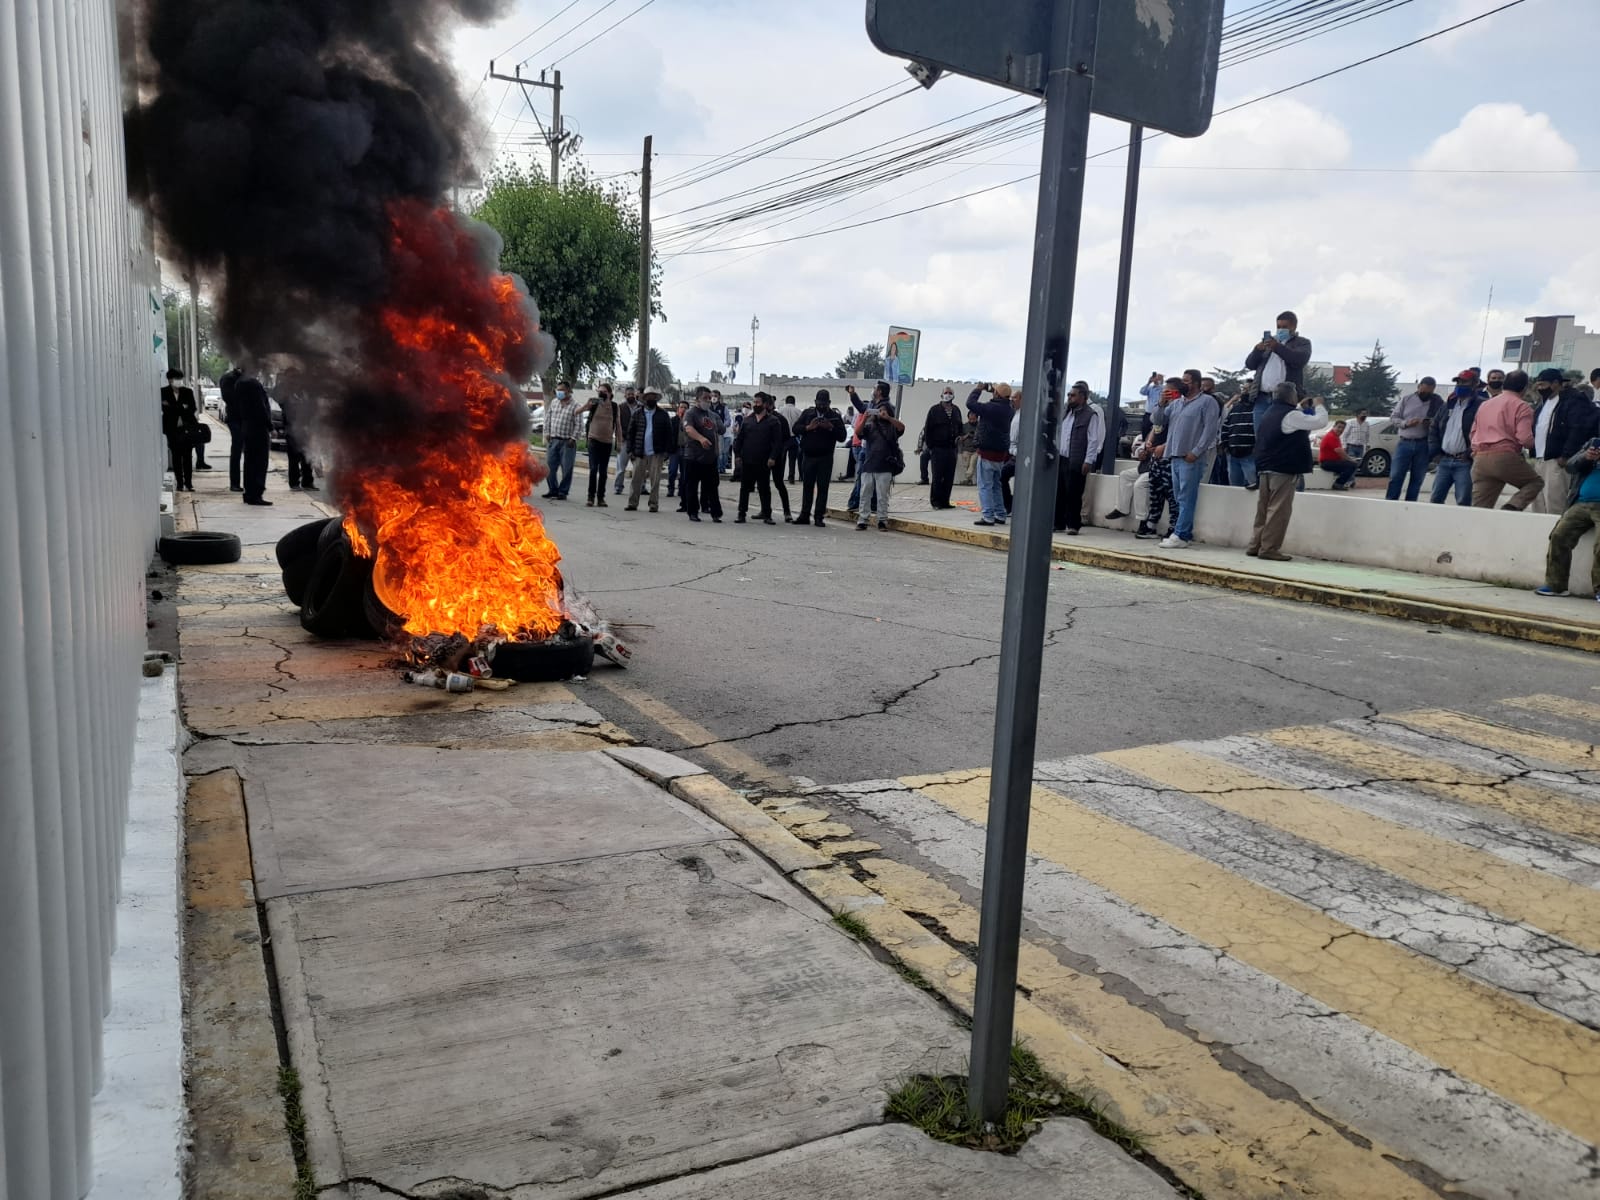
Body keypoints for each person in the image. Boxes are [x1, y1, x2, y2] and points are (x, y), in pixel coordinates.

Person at [1246, 383, 1328, 561]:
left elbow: (1291, 420)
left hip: (1265, 467)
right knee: (1278, 511)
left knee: (1263, 510)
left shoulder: (1269, 412)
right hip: (1283, 468)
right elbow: (1320, 422)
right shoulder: (1291, 415)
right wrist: (1319, 405)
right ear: (1291, 397)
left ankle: (1255, 545)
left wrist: (1300, 407)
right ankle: (1269, 548)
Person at [1159, 369, 1221, 549]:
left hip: (1190, 457)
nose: (1182, 384)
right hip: (1174, 455)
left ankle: (1181, 534)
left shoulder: (1207, 402)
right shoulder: (1177, 403)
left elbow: (1210, 430)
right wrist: (1161, 404)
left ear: (1195, 383)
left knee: (1187, 496)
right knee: (1179, 496)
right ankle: (1183, 532)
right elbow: (1159, 420)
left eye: (1186, 381)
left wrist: (1196, 451)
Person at [1535, 438, 1600, 600]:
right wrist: (1586, 457)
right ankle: (1556, 586)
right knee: (1559, 535)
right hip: (1581, 503)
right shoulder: (1593, 442)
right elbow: (1570, 466)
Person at [1529, 368, 1599, 514]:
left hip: (1557, 460)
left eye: (1543, 384)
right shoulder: (1542, 403)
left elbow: (1577, 429)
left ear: (1555, 383)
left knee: (1555, 502)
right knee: (1538, 503)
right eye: (1538, 385)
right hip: (1540, 459)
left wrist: (1566, 455)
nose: (1540, 388)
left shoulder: (1572, 400)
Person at [1470, 369, 1542, 510]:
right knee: (1535, 482)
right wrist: (1539, 444)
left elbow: (1473, 432)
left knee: (1480, 507)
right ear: (1525, 388)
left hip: (1480, 458)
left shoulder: (1485, 405)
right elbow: (1525, 439)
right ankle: (1512, 506)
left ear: (1504, 385)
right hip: (1504, 456)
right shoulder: (1522, 406)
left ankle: (1473, 529)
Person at [1055, 381, 1104, 535]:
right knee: (1059, 491)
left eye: (1073, 395)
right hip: (1061, 458)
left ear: (1082, 397)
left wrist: (1088, 460)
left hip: (1076, 459)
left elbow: (1093, 440)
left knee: (1073, 493)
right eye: (1069, 395)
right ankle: (1058, 523)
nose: (1070, 398)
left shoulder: (1090, 415)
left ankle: (1073, 524)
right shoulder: (1066, 413)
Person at [793, 388, 847, 527]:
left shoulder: (834, 416)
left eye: (824, 403)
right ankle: (804, 515)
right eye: (819, 403)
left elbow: (842, 437)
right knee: (807, 486)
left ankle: (819, 516)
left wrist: (830, 427)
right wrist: (808, 428)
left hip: (825, 457)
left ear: (829, 403)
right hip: (809, 456)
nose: (822, 406)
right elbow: (795, 428)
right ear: (815, 402)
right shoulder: (807, 413)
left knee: (823, 488)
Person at [734, 393, 787, 524]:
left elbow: (777, 442)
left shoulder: (773, 421)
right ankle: (741, 514)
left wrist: (773, 457)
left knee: (764, 488)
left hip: (764, 461)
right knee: (745, 488)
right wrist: (738, 455)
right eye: (754, 402)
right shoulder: (747, 420)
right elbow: (739, 439)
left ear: (765, 404)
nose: (755, 405)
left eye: (758, 403)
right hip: (748, 460)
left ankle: (767, 514)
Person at [1385, 377, 1440, 501]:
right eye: (1423, 391)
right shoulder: (1407, 399)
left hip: (1424, 443)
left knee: (1417, 478)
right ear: (1419, 387)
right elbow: (1394, 418)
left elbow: (1441, 421)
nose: (1425, 394)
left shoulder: (1437, 402)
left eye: (1429, 392)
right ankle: (1390, 502)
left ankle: (1411, 504)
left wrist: (1430, 423)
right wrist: (1406, 423)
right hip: (1405, 441)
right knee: (1396, 475)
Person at [854, 394, 905, 531]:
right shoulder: (870, 426)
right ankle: (862, 519)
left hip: (885, 465)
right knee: (865, 494)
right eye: (879, 410)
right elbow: (857, 432)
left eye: (884, 410)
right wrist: (865, 418)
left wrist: (888, 418)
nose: (881, 413)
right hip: (869, 465)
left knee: (883, 496)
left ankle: (882, 520)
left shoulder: (892, 427)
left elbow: (901, 427)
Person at [966, 382, 1014, 527]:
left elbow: (970, 403)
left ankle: (988, 516)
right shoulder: (1009, 409)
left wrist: (978, 389)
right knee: (996, 486)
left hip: (987, 452)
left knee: (985, 486)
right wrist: (995, 390)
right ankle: (1000, 514)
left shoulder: (991, 408)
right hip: (1000, 454)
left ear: (997, 394)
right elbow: (1002, 398)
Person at [1427, 382, 1481, 505]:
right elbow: (1433, 428)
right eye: (1458, 382)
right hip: (1444, 460)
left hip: (1464, 462)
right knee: (1435, 498)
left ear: (1473, 386)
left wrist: (1469, 453)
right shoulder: (1447, 406)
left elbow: (1482, 432)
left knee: (1463, 500)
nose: (1460, 386)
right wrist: (1435, 453)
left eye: (1464, 383)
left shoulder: (1479, 406)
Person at [1245, 310, 1312, 401]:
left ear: (1294, 327)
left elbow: (1298, 359)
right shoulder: (1268, 343)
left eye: (1284, 327)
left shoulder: (1302, 343)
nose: (1280, 330)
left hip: (1286, 398)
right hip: (1262, 396)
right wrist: (1257, 351)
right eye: (1278, 327)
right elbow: (1250, 365)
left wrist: (1277, 347)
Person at [681, 387, 724, 523]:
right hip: (693, 456)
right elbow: (688, 429)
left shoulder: (713, 415)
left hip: (710, 457)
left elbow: (721, 429)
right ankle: (693, 512)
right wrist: (701, 438)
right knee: (692, 485)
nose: (708, 400)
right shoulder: (691, 413)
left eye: (709, 398)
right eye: (705, 398)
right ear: (697, 399)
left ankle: (715, 513)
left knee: (712, 486)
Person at [624, 390, 670, 513]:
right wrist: (630, 450)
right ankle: (632, 503)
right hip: (640, 452)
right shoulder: (637, 414)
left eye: (653, 397)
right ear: (644, 399)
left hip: (656, 452)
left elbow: (668, 434)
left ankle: (653, 504)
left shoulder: (663, 415)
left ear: (656, 399)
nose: (651, 399)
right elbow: (631, 433)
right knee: (636, 479)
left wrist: (666, 452)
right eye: (648, 397)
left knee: (655, 480)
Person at [234, 373, 274, 506]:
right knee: (259, 462)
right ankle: (256, 493)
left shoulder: (239, 383)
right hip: (258, 427)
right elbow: (261, 407)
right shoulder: (253, 384)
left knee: (249, 462)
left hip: (247, 426)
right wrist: (270, 426)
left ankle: (249, 493)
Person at [923, 387, 964, 509]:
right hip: (937, 449)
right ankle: (935, 502)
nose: (948, 395)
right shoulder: (934, 410)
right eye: (945, 393)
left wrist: (960, 437)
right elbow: (927, 429)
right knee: (937, 476)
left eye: (950, 393)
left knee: (949, 476)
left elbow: (960, 427)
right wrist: (931, 447)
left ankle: (945, 501)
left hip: (952, 449)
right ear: (941, 395)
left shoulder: (956, 410)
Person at [844, 383, 882, 514]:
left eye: (875, 389)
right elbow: (860, 407)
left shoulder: (885, 407)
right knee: (861, 477)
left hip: (875, 449)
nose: (873, 391)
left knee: (873, 479)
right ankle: (857, 503)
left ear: (880, 392)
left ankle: (870, 504)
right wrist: (852, 394)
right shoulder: (870, 406)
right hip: (864, 447)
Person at [160, 369, 199, 491]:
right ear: (170, 380)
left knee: (187, 456)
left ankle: (189, 483)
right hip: (172, 429)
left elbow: (192, 408)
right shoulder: (163, 392)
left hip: (187, 428)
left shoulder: (187, 392)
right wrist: (182, 407)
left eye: (180, 378)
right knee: (176, 456)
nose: (178, 381)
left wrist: (172, 407)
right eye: (176, 379)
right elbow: (164, 409)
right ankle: (180, 483)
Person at [542, 380, 580, 501]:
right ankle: (553, 489)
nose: (559, 392)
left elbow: (579, 425)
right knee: (549, 467)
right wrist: (547, 433)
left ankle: (562, 492)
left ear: (568, 391)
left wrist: (573, 439)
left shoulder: (576, 406)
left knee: (567, 468)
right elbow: (548, 419)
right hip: (553, 440)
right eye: (558, 390)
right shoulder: (554, 402)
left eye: (562, 390)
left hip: (567, 442)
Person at [581, 384, 619, 506]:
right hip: (593, 440)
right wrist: (587, 405)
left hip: (607, 442)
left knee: (603, 472)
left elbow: (618, 425)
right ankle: (590, 497)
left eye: (603, 392)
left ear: (609, 393)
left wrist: (620, 441)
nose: (601, 393)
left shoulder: (614, 406)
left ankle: (601, 498)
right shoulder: (595, 403)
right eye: (599, 391)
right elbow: (578, 412)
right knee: (593, 469)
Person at [762, 394, 795, 523]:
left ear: (770, 405)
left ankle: (787, 511)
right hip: (762, 456)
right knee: (763, 484)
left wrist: (777, 453)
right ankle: (765, 510)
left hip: (776, 456)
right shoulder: (759, 418)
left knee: (779, 483)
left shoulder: (780, 419)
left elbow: (786, 438)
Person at [1222, 385, 1258, 488]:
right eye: (1244, 389)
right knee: (1234, 486)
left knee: (1254, 484)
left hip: (1250, 453)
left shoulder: (1258, 409)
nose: (1245, 391)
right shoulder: (1235, 408)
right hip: (1233, 453)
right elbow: (1225, 426)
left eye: (1248, 389)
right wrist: (1225, 445)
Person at [218, 367, 247, 493]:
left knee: (249, 451)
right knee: (237, 449)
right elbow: (229, 397)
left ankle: (248, 482)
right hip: (235, 418)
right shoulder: (229, 378)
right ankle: (234, 483)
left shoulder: (246, 377)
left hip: (246, 418)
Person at [1318, 421, 1361, 490]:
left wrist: (1349, 459)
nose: (1340, 429)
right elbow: (1340, 451)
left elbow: (1340, 452)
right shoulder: (1331, 437)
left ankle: (1346, 482)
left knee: (1350, 464)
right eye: (1339, 427)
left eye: (1343, 428)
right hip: (1326, 463)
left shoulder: (1334, 436)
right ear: (1334, 427)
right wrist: (1351, 459)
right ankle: (1338, 484)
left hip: (1330, 461)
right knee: (1353, 465)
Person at [612, 386, 640, 496]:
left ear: (635, 394)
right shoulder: (620, 407)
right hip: (624, 440)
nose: (631, 396)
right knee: (621, 467)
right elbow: (616, 423)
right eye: (628, 394)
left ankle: (641, 487)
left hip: (637, 441)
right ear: (625, 395)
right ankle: (618, 487)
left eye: (632, 394)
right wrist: (619, 436)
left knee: (639, 467)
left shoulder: (641, 407)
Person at [776, 394, 802, 482]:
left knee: (781, 459)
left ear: (786, 401)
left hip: (782, 438)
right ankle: (791, 477)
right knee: (792, 459)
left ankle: (780, 476)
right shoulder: (798, 411)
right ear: (794, 402)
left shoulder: (780, 411)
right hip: (794, 438)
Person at [667, 399, 688, 502]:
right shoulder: (673, 420)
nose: (683, 409)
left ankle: (681, 489)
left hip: (686, 450)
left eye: (685, 407)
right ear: (678, 409)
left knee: (684, 472)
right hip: (675, 450)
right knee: (672, 471)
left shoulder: (690, 422)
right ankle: (670, 488)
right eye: (681, 407)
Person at [1343, 407, 1371, 474]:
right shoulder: (1351, 423)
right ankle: (1350, 481)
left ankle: (1351, 479)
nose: (1365, 415)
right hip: (1351, 447)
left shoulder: (1366, 424)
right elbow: (1345, 435)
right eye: (1363, 414)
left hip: (1360, 447)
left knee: (1357, 464)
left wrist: (1367, 444)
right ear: (1358, 415)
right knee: (1351, 463)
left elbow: (1367, 436)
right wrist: (1344, 446)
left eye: (1366, 414)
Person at [956, 410, 979, 486]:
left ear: (977, 418)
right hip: (966, 449)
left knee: (972, 464)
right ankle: (969, 480)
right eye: (970, 419)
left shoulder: (980, 426)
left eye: (973, 419)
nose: (972, 420)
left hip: (976, 450)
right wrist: (967, 435)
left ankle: (967, 479)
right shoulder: (964, 426)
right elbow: (960, 438)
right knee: (966, 465)